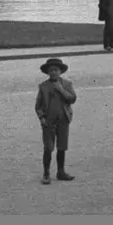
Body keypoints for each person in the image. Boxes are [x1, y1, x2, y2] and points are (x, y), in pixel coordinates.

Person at [35, 57, 77, 185]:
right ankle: (46, 173)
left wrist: (61, 90)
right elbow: (38, 106)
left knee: (62, 146)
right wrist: (42, 118)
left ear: (61, 72)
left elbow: (72, 99)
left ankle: (61, 171)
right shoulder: (43, 87)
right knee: (48, 147)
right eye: (51, 70)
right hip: (49, 121)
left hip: (63, 119)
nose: (53, 72)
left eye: (56, 70)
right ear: (47, 72)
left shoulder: (67, 84)